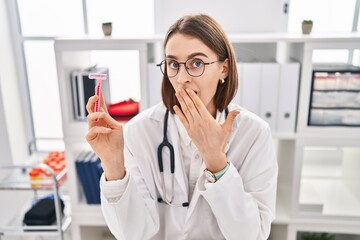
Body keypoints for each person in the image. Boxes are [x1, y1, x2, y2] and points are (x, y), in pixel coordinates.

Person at [86, 14, 278, 240]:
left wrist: (216, 161)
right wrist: (113, 164)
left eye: (196, 63)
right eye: (173, 64)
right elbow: (132, 234)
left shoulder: (254, 134)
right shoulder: (140, 131)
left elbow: (252, 236)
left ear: (224, 69)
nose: (181, 78)